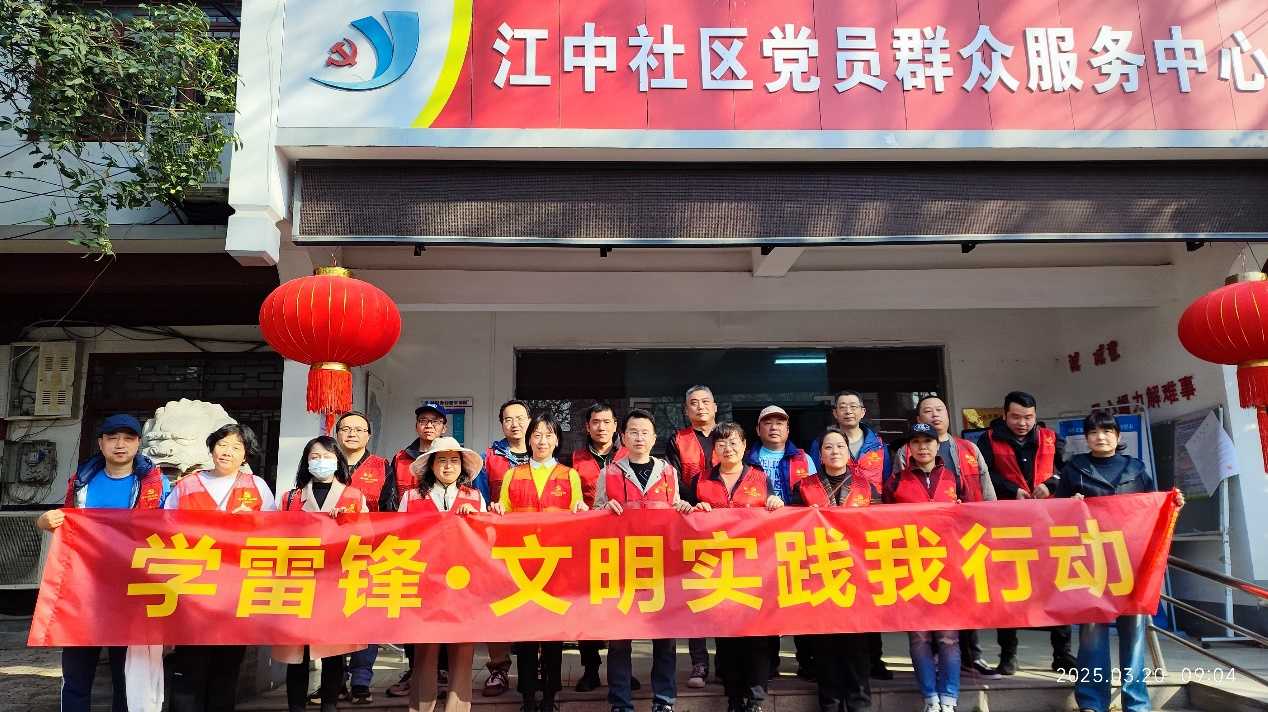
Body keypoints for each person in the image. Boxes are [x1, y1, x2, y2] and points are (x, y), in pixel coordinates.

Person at [37, 414, 169, 712]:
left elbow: (172, 529)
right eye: (112, 438)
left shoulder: (155, 484)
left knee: (127, 676)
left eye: (128, 438)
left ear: (138, 443)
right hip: (84, 591)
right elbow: (66, 524)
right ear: (101, 443)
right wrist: (45, 521)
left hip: (132, 590)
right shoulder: (82, 481)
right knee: (76, 672)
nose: (120, 444)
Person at [1055, 411, 1183, 712]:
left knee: (1134, 633)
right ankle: (1091, 700)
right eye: (1094, 432)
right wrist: (1068, 506)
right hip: (1091, 563)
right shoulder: (1074, 469)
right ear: (1086, 438)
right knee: (1091, 635)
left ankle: (1136, 702)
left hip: (1131, 563)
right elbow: (1056, 514)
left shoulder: (1136, 469)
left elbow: (1154, 507)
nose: (1101, 437)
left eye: (1107, 431)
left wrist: (1173, 504)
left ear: (1118, 436)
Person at [164, 423, 276, 712]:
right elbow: (165, 529)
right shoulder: (187, 485)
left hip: (235, 593)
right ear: (212, 449)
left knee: (226, 671)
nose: (227, 452)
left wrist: (253, 523)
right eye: (222, 445)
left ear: (245, 455)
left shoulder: (257, 486)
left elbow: (274, 533)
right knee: (189, 668)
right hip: (193, 590)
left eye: (236, 447)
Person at [890, 396, 999, 678]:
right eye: (927, 411)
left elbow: (985, 488)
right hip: (919, 546)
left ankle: (972, 656)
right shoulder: (904, 454)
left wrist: (992, 521)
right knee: (927, 609)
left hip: (963, 539)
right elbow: (894, 499)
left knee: (966, 599)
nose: (934, 414)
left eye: (939, 409)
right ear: (918, 419)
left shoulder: (968, 448)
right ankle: (935, 663)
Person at [594, 409, 694, 712]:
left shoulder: (668, 471)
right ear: (623, 438)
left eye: (645, 432)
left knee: (664, 637)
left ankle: (664, 700)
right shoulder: (609, 472)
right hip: (622, 564)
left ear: (653, 437)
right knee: (620, 637)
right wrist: (604, 509)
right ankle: (620, 702)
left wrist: (684, 508)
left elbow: (675, 508)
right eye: (633, 432)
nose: (639, 437)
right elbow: (595, 513)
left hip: (661, 565)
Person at [490, 411, 588, 712]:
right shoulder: (513, 475)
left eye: (548, 435)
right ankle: (528, 695)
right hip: (522, 567)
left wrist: (582, 510)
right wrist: (497, 510)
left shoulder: (569, 475)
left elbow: (578, 515)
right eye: (537, 435)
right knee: (526, 636)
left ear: (557, 440)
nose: (542, 441)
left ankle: (550, 695)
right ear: (529, 440)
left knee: (554, 635)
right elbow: (503, 512)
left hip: (557, 567)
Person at [978, 391, 1074, 676]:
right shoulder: (988, 440)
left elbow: (1070, 470)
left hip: (1049, 525)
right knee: (1008, 589)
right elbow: (984, 475)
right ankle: (1008, 655)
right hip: (1008, 527)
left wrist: (1051, 483)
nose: (1022, 423)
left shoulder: (1051, 438)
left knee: (1057, 587)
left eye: (1028, 417)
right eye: (1016, 417)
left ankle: (1062, 655)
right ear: (1004, 415)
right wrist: (1012, 490)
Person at [694, 422, 782, 712]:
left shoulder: (760, 477)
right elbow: (685, 516)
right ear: (714, 449)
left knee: (757, 637)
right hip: (718, 571)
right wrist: (694, 508)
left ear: (744, 445)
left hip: (756, 571)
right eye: (721, 443)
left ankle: (755, 699)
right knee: (727, 639)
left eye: (733, 442)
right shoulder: (701, 480)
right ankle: (733, 698)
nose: (728, 448)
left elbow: (776, 516)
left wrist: (774, 502)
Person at [275, 436, 368, 712]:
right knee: (298, 653)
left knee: (333, 652)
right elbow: (274, 535)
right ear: (306, 461)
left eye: (327, 456)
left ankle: (329, 705)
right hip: (298, 580)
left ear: (338, 461)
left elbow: (368, 538)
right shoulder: (290, 498)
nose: (321, 462)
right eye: (315, 457)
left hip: (335, 582)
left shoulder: (353, 496)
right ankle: (295, 707)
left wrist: (347, 524)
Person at [399, 436, 491, 712]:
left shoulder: (474, 497)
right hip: (424, 587)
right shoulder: (411, 497)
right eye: (442, 460)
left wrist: (475, 521)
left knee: (462, 653)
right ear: (431, 465)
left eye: (454, 460)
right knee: (424, 653)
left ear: (462, 466)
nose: (448, 466)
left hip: (464, 587)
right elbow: (398, 537)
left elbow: (488, 541)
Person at [807, 391, 893, 680]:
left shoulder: (878, 446)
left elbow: (885, 492)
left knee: (866, 609)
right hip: (823, 555)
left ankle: (873, 662)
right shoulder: (809, 479)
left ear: (863, 411)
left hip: (861, 549)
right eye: (842, 406)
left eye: (853, 406)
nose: (848, 411)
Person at [792, 427, 878, 712]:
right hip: (818, 574)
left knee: (857, 644)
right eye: (828, 447)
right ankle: (830, 703)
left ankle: (859, 703)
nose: (834, 452)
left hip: (857, 576)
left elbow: (882, 525)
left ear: (848, 452)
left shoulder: (866, 486)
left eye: (840, 446)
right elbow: (790, 528)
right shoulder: (804, 487)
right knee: (824, 645)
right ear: (820, 454)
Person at [884, 423, 965, 712]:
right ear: (909, 448)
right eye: (916, 442)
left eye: (928, 441)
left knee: (948, 637)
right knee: (919, 637)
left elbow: (972, 515)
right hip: (911, 568)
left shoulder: (954, 477)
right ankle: (930, 698)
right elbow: (881, 522)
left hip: (948, 568)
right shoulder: (896, 481)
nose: (922, 447)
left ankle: (949, 698)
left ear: (937, 444)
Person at [382, 402, 456, 699]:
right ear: (416, 425)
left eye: (435, 421)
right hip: (414, 550)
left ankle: (444, 672)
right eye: (423, 420)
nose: (429, 425)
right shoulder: (401, 458)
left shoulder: (453, 457)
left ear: (444, 427)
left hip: (451, 555)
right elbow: (390, 502)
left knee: (449, 611)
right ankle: (416, 671)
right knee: (414, 613)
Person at [745, 404, 815, 679]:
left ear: (788, 429)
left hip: (798, 539)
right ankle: (769, 663)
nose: (774, 427)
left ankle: (807, 662)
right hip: (761, 541)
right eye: (768, 423)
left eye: (779, 423)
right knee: (766, 602)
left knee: (800, 600)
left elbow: (815, 493)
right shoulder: (748, 459)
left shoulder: (804, 459)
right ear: (758, 429)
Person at [568, 402, 629, 692]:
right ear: (587, 427)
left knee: (622, 606)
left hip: (623, 541)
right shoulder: (575, 458)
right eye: (595, 422)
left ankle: (623, 670)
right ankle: (590, 669)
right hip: (587, 540)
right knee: (587, 606)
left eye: (606, 422)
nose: (601, 427)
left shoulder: (630, 455)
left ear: (616, 425)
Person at [664, 385, 720, 688]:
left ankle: (728, 662)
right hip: (692, 524)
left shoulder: (729, 435)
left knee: (730, 590)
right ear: (686, 410)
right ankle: (699, 662)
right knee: (697, 592)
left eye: (705, 402)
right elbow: (673, 481)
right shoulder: (678, 439)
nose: (700, 407)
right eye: (694, 403)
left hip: (728, 525)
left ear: (715, 406)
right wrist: (692, 504)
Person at [477, 399, 532, 697]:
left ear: (529, 421)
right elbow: (481, 500)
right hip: (499, 543)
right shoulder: (489, 458)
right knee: (497, 605)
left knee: (535, 603)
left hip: (538, 543)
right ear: (501, 424)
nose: (515, 424)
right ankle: (498, 668)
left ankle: (534, 667)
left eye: (520, 418)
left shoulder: (543, 453)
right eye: (508, 419)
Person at [334, 410, 389, 704]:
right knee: (333, 616)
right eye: (346, 428)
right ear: (337, 434)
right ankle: (334, 680)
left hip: (370, 553)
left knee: (367, 616)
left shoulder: (382, 466)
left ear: (369, 435)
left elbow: (391, 510)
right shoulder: (324, 463)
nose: (352, 433)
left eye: (359, 429)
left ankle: (361, 680)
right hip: (332, 555)